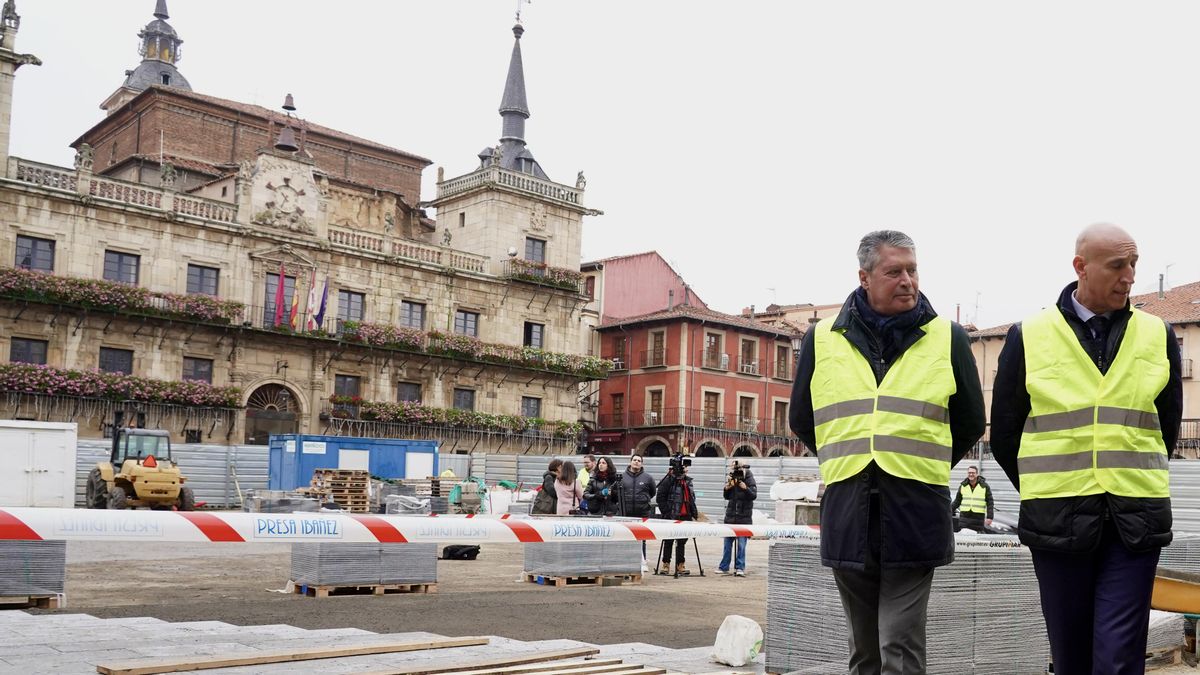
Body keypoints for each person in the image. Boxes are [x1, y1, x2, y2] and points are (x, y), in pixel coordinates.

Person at [789, 230, 985, 674]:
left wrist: (919, 462)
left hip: (915, 510)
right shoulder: (821, 340)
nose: (907, 281)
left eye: (912, 270)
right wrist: (849, 459)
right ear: (865, 277)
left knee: (899, 642)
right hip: (848, 508)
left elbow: (970, 421)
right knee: (864, 651)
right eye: (894, 271)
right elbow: (803, 418)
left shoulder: (947, 337)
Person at [990, 223, 1182, 675]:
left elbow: (1166, 428)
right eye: (1118, 265)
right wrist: (1045, 485)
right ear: (1081, 267)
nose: (1130, 276)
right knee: (1072, 655)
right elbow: (1005, 436)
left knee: (1118, 656)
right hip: (1057, 519)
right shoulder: (1029, 335)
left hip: (1134, 520)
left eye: (1134, 264)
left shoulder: (1158, 335)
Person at [656, 454, 699, 575]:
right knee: (668, 541)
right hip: (671, 515)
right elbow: (660, 497)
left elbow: (691, 498)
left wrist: (693, 513)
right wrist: (667, 512)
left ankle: (680, 565)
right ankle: (666, 564)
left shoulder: (687, 481)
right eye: (685, 466)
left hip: (685, 515)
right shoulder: (669, 479)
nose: (687, 468)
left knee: (682, 542)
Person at [616, 454, 657, 573]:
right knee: (625, 537)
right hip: (625, 513)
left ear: (642, 463)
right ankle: (625, 561)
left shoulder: (648, 478)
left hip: (642, 512)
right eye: (634, 460)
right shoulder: (621, 477)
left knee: (642, 538)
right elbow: (616, 493)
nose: (636, 462)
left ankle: (642, 561)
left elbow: (652, 492)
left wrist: (643, 501)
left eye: (639, 461)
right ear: (630, 462)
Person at [718, 460, 757, 577]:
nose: (737, 472)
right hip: (730, 517)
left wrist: (745, 488)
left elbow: (753, 495)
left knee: (741, 545)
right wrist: (727, 488)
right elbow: (726, 496)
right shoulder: (732, 477)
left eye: (739, 469)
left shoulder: (749, 476)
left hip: (743, 518)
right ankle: (724, 567)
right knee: (727, 544)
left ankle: (740, 567)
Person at [950, 466, 993, 532]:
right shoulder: (963, 486)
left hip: (978, 519)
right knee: (965, 540)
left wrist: (990, 517)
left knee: (976, 540)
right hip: (964, 519)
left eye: (973, 473)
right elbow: (957, 501)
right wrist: (948, 512)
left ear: (977, 474)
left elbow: (990, 502)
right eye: (969, 473)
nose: (971, 474)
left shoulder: (984, 486)